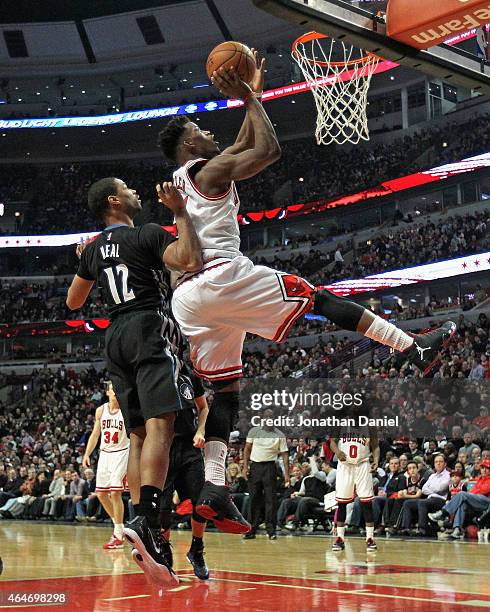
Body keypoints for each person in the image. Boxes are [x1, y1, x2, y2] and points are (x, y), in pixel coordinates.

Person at [157, 55, 455, 534]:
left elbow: (240, 143)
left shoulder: (182, 181)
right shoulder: (207, 170)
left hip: (188, 299)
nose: (211, 135)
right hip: (221, 278)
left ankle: (213, 486)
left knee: (227, 392)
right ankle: (413, 347)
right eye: (201, 131)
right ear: (190, 142)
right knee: (318, 299)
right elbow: (267, 150)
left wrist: (252, 95)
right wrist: (250, 96)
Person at [66, 178, 201, 586]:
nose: (136, 193)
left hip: (115, 336)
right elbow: (189, 259)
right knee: (163, 424)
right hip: (148, 324)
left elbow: (74, 302)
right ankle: (147, 520)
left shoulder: (92, 250)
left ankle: (147, 529)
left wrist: (86, 262)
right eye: (127, 189)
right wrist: (180, 212)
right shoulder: (146, 234)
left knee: (138, 433)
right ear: (114, 200)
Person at [157, 368, 210, 580]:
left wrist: (201, 431)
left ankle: (197, 549)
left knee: (201, 503)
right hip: (162, 447)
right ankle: (164, 550)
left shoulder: (190, 376)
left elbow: (204, 408)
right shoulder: (154, 373)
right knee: (162, 510)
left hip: (189, 447)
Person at [82, 382, 130, 549]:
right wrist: (87, 454)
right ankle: (119, 526)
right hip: (105, 454)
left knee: (115, 492)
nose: (116, 392)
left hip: (122, 452)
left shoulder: (126, 410)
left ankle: (118, 534)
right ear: (108, 392)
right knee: (101, 494)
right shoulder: (101, 410)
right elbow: (96, 434)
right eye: (113, 389)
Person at [242, 410, 289, 539]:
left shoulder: (280, 434)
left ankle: (271, 530)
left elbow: (285, 455)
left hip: (270, 467)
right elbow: (247, 448)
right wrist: (245, 466)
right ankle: (251, 530)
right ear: (262, 418)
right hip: (255, 466)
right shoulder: (254, 431)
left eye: (271, 416)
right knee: (253, 499)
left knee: (271, 500)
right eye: (266, 416)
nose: (269, 418)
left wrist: (287, 474)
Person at [330, 433, 379, 551]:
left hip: (363, 464)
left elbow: (375, 445)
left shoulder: (368, 426)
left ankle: (370, 538)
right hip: (345, 466)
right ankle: (340, 538)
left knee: (366, 502)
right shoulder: (341, 423)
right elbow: (332, 442)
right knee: (342, 503)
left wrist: (376, 460)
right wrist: (337, 452)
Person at [429, 458, 490, 539]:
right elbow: (474, 491)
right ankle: (457, 529)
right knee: (462, 504)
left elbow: (483, 490)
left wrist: (469, 495)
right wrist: (470, 495)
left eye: (487, 468)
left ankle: (443, 513)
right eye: (482, 468)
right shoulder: (480, 479)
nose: (484, 470)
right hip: (477, 501)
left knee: (462, 494)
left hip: (487, 503)